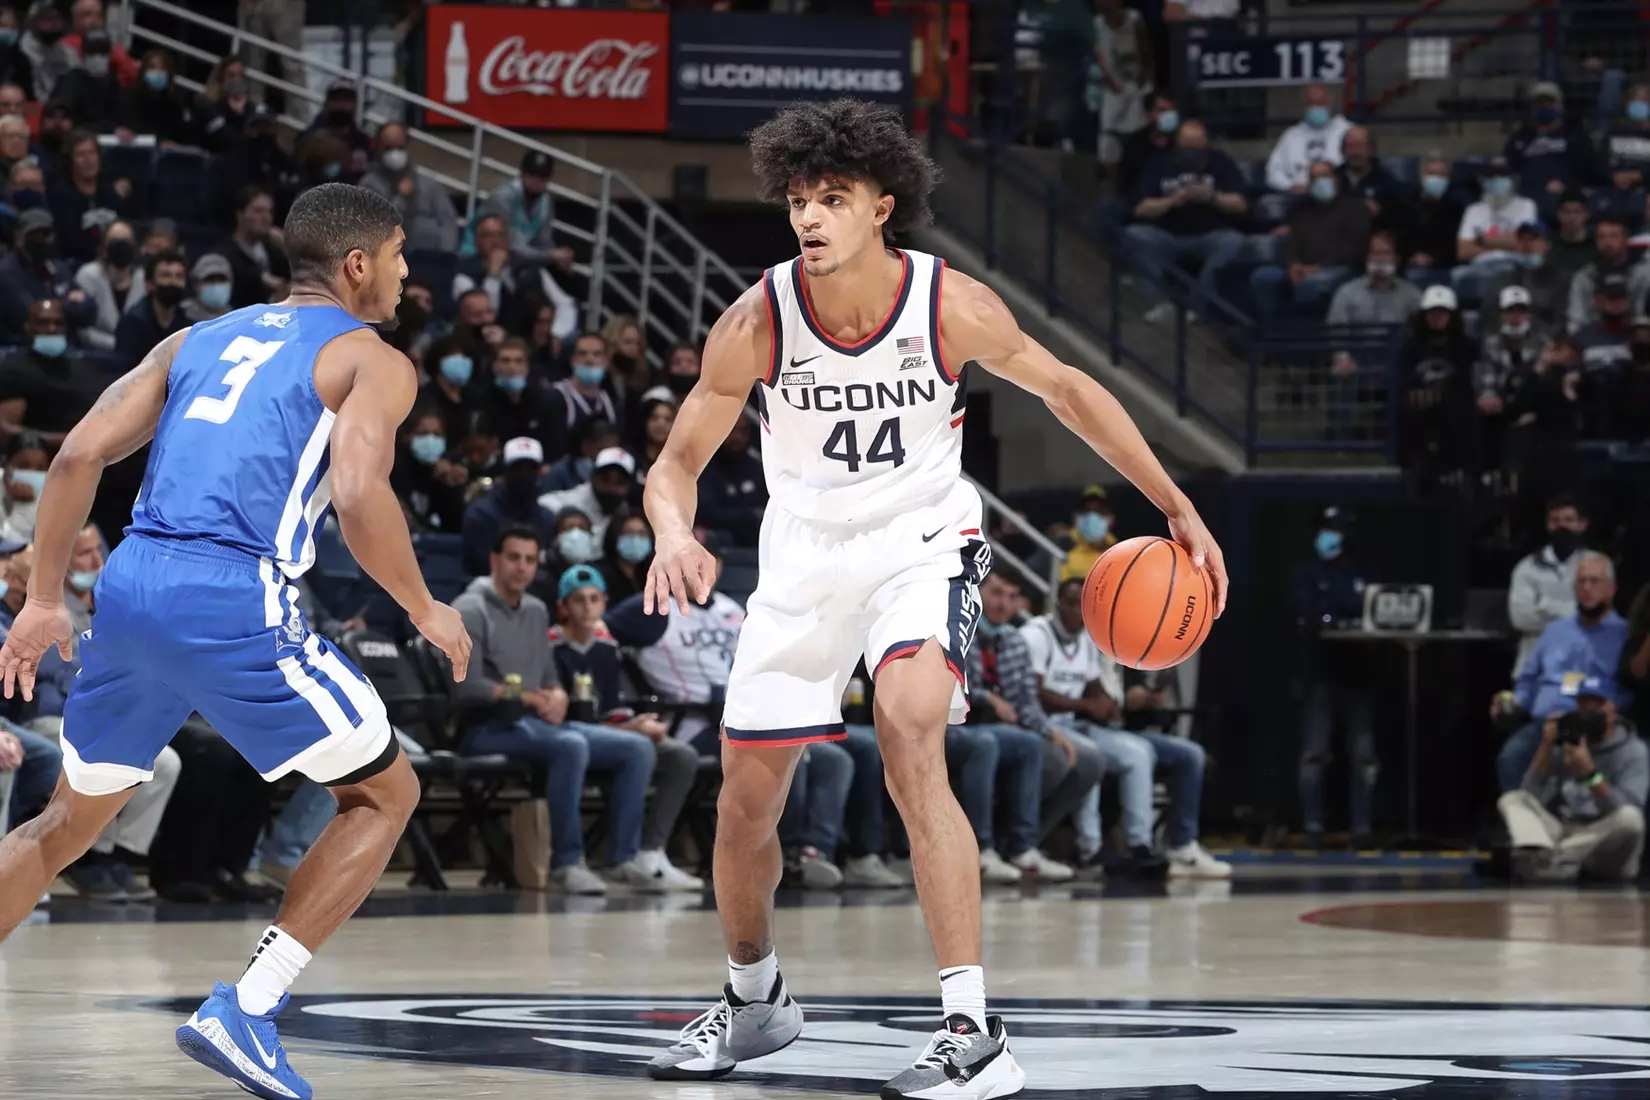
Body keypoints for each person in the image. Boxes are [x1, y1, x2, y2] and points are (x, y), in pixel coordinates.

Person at [639, 96, 1226, 1100]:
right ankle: (754, 998)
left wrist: (1174, 503)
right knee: (743, 805)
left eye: (832, 197)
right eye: (797, 199)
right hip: (802, 559)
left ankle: (973, 1031)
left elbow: (1070, 391)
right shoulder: (757, 318)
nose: (809, 216)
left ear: (881, 206)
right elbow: (676, 458)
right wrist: (673, 529)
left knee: (913, 727)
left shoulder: (951, 306)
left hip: (922, 542)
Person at [0, 182, 471, 1100]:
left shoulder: (197, 339)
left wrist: (46, 598)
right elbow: (364, 497)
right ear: (358, 264)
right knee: (385, 794)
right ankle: (247, 1010)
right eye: (402, 255)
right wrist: (425, 606)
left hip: (132, 584)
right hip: (232, 591)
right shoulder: (372, 359)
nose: (411, 274)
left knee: (64, 822)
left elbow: (75, 458)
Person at [454, 530, 649, 895]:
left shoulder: (536, 609)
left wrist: (558, 695)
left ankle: (623, 858)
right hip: (487, 725)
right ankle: (566, 863)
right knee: (571, 744)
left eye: (530, 559)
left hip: (535, 723)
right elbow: (466, 684)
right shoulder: (469, 608)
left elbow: (548, 676)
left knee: (636, 748)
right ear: (495, 561)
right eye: (514, 557)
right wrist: (530, 698)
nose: (522, 567)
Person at [1022, 577, 1229, 877]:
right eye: (1070, 604)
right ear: (1056, 605)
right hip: (1045, 726)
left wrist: (1107, 703)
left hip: (1077, 725)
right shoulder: (1037, 633)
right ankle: (1090, 848)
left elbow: (1094, 689)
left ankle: (1140, 845)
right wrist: (1088, 706)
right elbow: (1035, 693)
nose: (1078, 612)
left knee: (1139, 754)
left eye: (1083, 605)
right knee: (1091, 754)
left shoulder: (1089, 635)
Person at [551, 563, 705, 890]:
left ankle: (651, 853)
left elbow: (612, 709)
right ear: (563, 606)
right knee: (637, 748)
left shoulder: (607, 648)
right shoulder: (552, 646)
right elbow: (564, 718)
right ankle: (621, 857)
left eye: (595, 599)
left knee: (682, 756)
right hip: (569, 737)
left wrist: (636, 722)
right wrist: (632, 732)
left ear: (605, 603)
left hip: (610, 734)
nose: (588, 607)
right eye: (578, 600)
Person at [1495, 551, 1628, 791]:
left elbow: (1630, 688)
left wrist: (1608, 713)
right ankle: (1528, 825)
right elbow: (1528, 679)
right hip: (1546, 725)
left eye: (1595, 581)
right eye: (1581, 581)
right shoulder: (1555, 631)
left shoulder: (1624, 635)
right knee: (1511, 757)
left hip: (1598, 727)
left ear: (1612, 588)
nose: (1587, 588)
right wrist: (1512, 701)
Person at [1498, 675, 1646, 883]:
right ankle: (1546, 857)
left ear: (1613, 710)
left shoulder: (1634, 751)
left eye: (1597, 704)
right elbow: (1530, 794)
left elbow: (1625, 811)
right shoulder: (1568, 739)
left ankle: (1548, 860)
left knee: (1631, 819)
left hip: (1602, 840)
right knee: (1512, 799)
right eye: (1583, 704)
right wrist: (1546, 746)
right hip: (1564, 828)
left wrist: (1590, 775)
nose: (1589, 711)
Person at [1290, 507, 1377, 842]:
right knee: (1314, 753)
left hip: (1359, 674)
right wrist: (1333, 616)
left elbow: (1367, 608)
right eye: (1323, 528)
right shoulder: (1307, 572)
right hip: (1320, 674)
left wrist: (1337, 614)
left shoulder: (1361, 571)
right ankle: (1312, 826)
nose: (1327, 535)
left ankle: (1362, 828)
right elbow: (1309, 613)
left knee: (1363, 755)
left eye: (1334, 529)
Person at [1124, 118, 1249, 320]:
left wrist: (1212, 197)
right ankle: (1158, 304)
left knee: (1233, 242)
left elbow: (1240, 204)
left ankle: (1198, 305)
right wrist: (1173, 200)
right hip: (1167, 234)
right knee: (1136, 235)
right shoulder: (1159, 162)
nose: (1192, 152)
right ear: (1178, 144)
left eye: (1197, 147)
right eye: (1187, 146)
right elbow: (1141, 208)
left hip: (1209, 235)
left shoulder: (1221, 162)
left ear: (1205, 144)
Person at [1250, 160, 1368, 324]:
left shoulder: (1355, 208)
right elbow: (1293, 243)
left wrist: (1317, 267)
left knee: (1312, 283)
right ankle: (1273, 332)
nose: (1320, 182)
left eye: (1324, 176)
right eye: (1314, 178)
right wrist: (1293, 264)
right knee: (1263, 277)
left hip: (1340, 267)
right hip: (1303, 267)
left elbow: (1354, 248)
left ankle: (1303, 334)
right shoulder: (1303, 210)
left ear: (1336, 179)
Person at [0, 299, 107, 446]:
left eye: (58, 323)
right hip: (36, 459)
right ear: (28, 327)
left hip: (86, 455)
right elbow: (6, 431)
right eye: (43, 323)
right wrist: (67, 443)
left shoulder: (85, 370)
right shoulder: (12, 371)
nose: (52, 329)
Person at [1508, 494, 1589, 677]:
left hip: (1579, 668)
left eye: (1569, 520)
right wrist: (1574, 613)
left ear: (1582, 525)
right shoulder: (1526, 568)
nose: (1562, 526)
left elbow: (1598, 616)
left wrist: (1544, 605)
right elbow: (1520, 619)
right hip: (1533, 670)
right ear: (1548, 525)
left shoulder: (1597, 565)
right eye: (1555, 520)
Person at [1326, 231, 1422, 376]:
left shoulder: (1412, 294)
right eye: (1375, 253)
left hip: (1399, 363)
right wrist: (1342, 356)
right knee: (1340, 369)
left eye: (1386, 253)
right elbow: (1336, 332)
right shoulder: (1347, 292)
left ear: (1396, 259)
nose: (1380, 259)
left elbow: (1421, 332)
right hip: (1358, 362)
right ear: (1367, 257)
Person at [460, 436, 558, 575]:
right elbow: (482, 567)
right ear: (505, 471)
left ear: (540, 472)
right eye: (517, 468)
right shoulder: (480, 514)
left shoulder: (547, 518)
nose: (524, 474)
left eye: (530, 468)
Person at [359, 121, 458, 253]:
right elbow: (377, 227)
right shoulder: (369, 185)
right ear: (379, 148)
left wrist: (446, 253)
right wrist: (400, 198)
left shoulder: (429, 184)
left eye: (400, 147)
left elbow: (448, 220)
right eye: (389, 148)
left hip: (431, 256)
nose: (395, 154)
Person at [0, 210, 95, 345]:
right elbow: (32, 314)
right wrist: (70, 303)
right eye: (34, 235)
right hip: (25, 349)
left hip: (67, 346)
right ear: (19, 238)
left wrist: (56, 305)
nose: (42, 240)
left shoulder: (59, 268)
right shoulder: (6, 272)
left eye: (46, 234)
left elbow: (90, 311)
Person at [1503, 81, 1598, 207]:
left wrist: (1567, 184)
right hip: (1529, 195)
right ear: (1532, 107)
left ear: (1561, 105)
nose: (1545, 107)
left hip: (1567, 195)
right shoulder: (1520, 138)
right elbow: (1509, 167)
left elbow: (1588, 169)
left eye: (1550, 103)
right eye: (1540, 104)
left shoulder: (1576, 137)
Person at [46, 129, 133, 266]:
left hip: (115, 261)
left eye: (92, 153)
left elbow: (125, 225)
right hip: (78, 263)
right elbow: (68, 239)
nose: (88, 160)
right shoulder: (60, 195)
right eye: (81, 155)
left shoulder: (109, 193)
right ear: (70, 161)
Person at [1566, 215, 1650, 335]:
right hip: (1594, 341)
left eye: (1613, 236)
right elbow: (1575, 320)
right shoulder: (1584, 277)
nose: (1607, 242)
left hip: (1638, 339)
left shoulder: (1645, 274)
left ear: (1625, 239)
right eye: (1602, 237)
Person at [545, 333, 622, 461]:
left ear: (606, 361)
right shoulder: (555, 398)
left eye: (596, 354)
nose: (589, 360)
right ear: (573, 360)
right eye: (582, 354)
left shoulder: (611, 403)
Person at [538, 445, 636, 545]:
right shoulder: (570, 501)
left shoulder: (625, 512)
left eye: (620, 482)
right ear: (593, 477)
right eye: (605, 479)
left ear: (629, 486)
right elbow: (543, 503)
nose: (612, 487)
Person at [1480, 222, 1566, 332]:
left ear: (1547, 245)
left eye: (1533, 239)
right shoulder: (1501, 280)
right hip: (1505, 342)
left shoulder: (1560, 280)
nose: (1526, 244)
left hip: (1545, 342)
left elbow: (1561, 321)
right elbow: (1488, 318)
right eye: (1522, 239)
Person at [1265, 84, 1351, 194]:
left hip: (1339, 196)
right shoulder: (1291, 135)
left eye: (1320, 103)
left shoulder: (1347, 131)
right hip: (1298, 198)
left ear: (1330, 104)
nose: (1316, 107)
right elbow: (1273, 172)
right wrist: (1290, 186)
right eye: (1311, 103)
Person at [73, 218, 143, 351]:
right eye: (115, 241)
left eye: (126, 241)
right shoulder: (88, 275)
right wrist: (118, 344)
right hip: (97, 354)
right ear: (104, 247)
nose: (121, 246)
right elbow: (82, 329)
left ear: (134, 247)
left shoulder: (144, 278)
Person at [114, 250, 188, 367]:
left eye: (179, 276)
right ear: (150, 284)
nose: (173, 282)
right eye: (166, 275)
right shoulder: (132, 323)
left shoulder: (188, 324)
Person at [221, 186, 290, 309]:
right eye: (258, 211)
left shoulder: (275, 249)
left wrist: (288, 248)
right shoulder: (225, 254)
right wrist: (260, 280)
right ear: (240, 214)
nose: (266, 217)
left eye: (270, 212)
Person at [130, 49, 200, 148]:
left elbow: (182, 135)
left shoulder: (175, 104)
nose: (157, 72)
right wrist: (159, 142)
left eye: (162, 69)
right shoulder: (131, 98)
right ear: (143, 71)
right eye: (152, 67)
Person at [1055, 484, 1116, 583]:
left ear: (1111, 519)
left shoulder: (1118, 550)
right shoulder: (1062, 545)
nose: (1092, 517)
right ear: (1075, 517)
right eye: (1087, 511)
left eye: (1099, 511)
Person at [598, 508, 654, 603]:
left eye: (642, 533)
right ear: (614, 537)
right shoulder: (600, 574)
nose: (635, 539)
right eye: (628, 533)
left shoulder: (650, 574)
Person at [181, 253, 234, 323]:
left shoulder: (234, 316)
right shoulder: (183, 314)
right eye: (210, 280)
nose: (216, 285)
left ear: (231, 282)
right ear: (196, 284)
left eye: (221, 279)